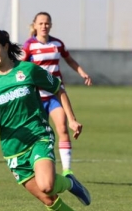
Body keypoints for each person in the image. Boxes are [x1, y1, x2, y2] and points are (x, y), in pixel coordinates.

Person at [0, 29, 98, 211]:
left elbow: (58, 89)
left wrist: (71, 119)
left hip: (38, 136)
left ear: (5, 46)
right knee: (49, 199)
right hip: (12, 150)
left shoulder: (28, 70)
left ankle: (70, 182)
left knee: (47, 184)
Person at [22, 12, 92, 176]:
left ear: (51, 25)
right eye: (40, 23)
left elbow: (70, 60)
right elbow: (21, 67)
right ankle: (37, 166)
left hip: (55, 95)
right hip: (36, 98)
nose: (44, 26)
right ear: (35, 25)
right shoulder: (29, 45)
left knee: (62, 128)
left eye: (47, 23)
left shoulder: (57, 44)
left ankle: (67, 170)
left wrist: (82, 73)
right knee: (38, 134)